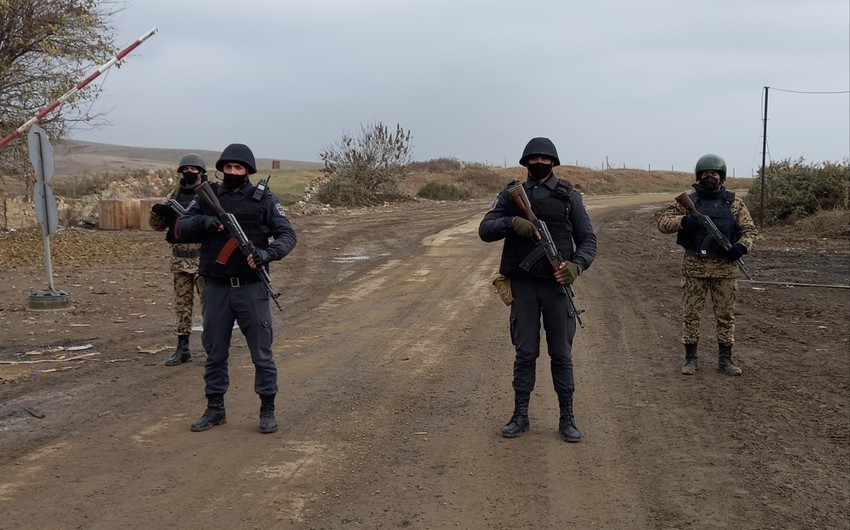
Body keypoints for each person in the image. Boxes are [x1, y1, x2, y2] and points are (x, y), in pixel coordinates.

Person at [479, 137, 597, 442]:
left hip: (556, 288)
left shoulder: (569, 196)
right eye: (534, 158)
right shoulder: (510, 196)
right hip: (523, 287)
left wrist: (576, 266)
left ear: (553, 163)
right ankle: (520, 415)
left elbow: (588, 240)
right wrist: (511, 223)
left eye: (545, 159)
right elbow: (485, 230)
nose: (540, 163)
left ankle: (567, 417)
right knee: (525, 353)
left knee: (561, 354)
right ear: (526, 162)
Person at [176, 143, 297, 434]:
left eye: (238, 168)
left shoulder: (264, 199)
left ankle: (267, 408)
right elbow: (180, 227)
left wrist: (267, 254)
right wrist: (205, 222)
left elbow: (287, 235)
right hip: (216, 287)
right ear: (221, 169)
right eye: (228, 167)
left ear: (248, 171)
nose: (232, 172)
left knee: (261, 353)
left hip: (251, 288)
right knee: (215, 352)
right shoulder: (207, 196)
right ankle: (215, 408)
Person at [657, 153, 758, 376]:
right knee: (691, 315)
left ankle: (725, 359)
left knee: (726, 316)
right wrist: (684, 221)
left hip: (725, 270)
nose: (709, 177)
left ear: (721, 176)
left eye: (714, 173)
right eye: (705, 174)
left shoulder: (734, 203)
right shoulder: (690, 202)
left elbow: (750, 231)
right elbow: (662, 223)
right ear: (698, 176)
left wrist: (741, 247)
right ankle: (691, 358)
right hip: (694, 268)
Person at [149, 153, 208, 366]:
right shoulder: (174, 195)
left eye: (193, 168)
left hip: (203, 261)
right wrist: (158, 212)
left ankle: (214, 347)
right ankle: (183, 348)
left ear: (201, 171)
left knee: (209, 306)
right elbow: (157, 227)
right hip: (179, 261)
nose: (189, 172)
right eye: (186, 168)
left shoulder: (208, 194)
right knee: (182, 306)